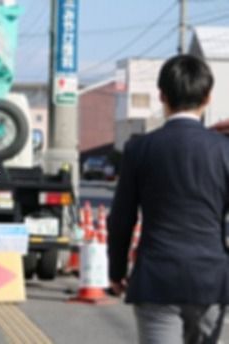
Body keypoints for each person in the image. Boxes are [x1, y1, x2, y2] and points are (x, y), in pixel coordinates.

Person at [108, 54, 228, 344]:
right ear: (208, 97)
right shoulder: (223, 151)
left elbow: (122, 217)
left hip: (156, 278)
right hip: (211, 280)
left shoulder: (139, 149)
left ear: (162, 95)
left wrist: (117, 271)